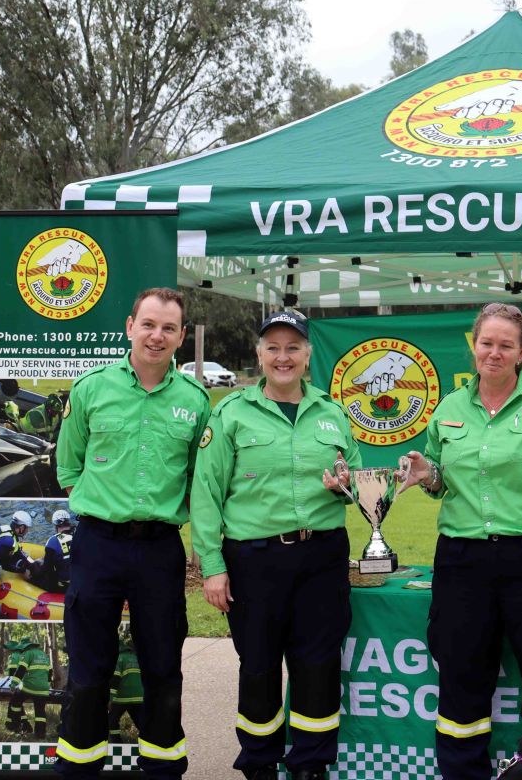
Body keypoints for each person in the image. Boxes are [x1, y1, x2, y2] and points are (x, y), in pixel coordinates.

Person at [399, 301, 522, 780]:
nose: (493, 352)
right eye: (486, 342)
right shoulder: (449, 408)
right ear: (474, 345)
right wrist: (426, 475)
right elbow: (440, 480)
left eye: (505, 345)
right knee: (461, 676)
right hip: (463, 560)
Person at [191, 310, 361, 780]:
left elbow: (358, 476)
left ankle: (310, 764)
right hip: (255, 561)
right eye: (273, 348)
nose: (283, 357)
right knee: (260, 666)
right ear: (259, 354)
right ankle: (260, 763)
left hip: (322, 556)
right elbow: (205, 493)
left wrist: (344, 484)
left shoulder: (333, 412)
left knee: (318, 665)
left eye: (293, 348)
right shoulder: (229, 414)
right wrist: (212, 565)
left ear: (308, 355)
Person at [54, 287, 210, 778]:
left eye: (168, 328)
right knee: (87, 669)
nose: (157, 336)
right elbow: (69, 468)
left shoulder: (196, 401)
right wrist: (105, 508)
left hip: (159, 550)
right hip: (97, 545)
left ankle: (163, 769)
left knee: (163, 668)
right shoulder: (91, 389)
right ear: (129, 326)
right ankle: (79, 769)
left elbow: (198, 479)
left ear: (181, 336)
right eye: (148, 324)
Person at [11, 635, 54, 738]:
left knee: (15, 701)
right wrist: (47, 685)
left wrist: (13, 684)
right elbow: (50, 672)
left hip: (30, 687)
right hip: (43, 689)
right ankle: (40, 734)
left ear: (25, 647)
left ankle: (17, 727)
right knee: (40, 711)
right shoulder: (44, 655)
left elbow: (21, 670)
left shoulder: (28, 653)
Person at [108, 635, 143, 741]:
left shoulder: (119, 659)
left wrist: (111, 699)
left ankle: (116, 743)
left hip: (121, 698)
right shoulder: (137, 658)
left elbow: (115, 680)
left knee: (112, 721)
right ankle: (146, 743)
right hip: (139, 697)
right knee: (141, 723)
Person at [31, 510, 74, 592]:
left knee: (36, 572)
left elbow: (48, 569)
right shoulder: (79, 534)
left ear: (56, 526)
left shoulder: (53, 541)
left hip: (66, 586)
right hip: (83, 581)